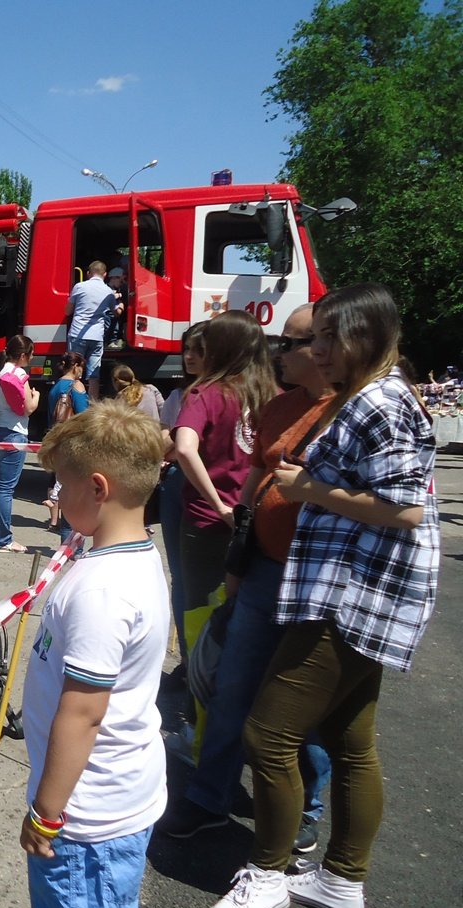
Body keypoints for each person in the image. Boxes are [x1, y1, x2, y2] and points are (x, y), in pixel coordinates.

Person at [210, 284, 439, 908]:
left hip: (356, 596)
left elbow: (407, 508)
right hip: (356, 593)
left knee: (269, 733)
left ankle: (268, 872)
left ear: (365, 335)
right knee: (348, 739)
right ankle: (341, 878)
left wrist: (310, 488)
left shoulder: (381, 401)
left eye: (328, 337)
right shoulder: (374, 396)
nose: (316, 350)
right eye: (315, 339)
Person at [160, 304, 333, 854]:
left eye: (296, 342)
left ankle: (300, 808)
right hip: (255, 559)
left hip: (302, 571)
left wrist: (220, 503)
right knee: (238, 680)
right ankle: (214, 795)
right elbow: (256, 485)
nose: (282, 351)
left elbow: (403, 512)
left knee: (282, 695)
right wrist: (240, 548)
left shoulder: (348, 414)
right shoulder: (275, 402)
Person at [22, 399, 169, 908]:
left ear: (99, 487)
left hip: (86, 819)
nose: (55, 497)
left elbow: (82, 714)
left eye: (62, 484)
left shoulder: (103, 592)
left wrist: (47, 813)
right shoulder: (125, 555)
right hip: (114, 797)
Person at [171, 311, 276, 642]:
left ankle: (198, 682)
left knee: (199, 604)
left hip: (208, 521)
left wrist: (218, 505)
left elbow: (185, 448)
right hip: (258, 520)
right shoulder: (273, 395)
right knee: (247, 605)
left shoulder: (206, 393)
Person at [158, 322, 207, 662]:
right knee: (181, 578)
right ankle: (190, 662)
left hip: (210, 496)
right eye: (186, 349)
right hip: (178, 487)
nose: (189, 357)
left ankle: (205, 663)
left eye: (198, 350)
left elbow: (174, 444)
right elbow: (163, 445)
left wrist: (177, 444)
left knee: (208, 581)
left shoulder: (233, 395)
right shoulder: (178, 396)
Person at [0, 336, 38, 553]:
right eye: (30, 354)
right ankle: (4, 540)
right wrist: (37, 396)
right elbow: (28, 408)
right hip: (14, 434)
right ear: (23, 355)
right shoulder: (20, 374)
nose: (31, 358)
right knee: (5, 489)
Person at [42, 351, 88, 531]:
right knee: (72, 485)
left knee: (55, 480)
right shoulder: (76, 386)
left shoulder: (55, 387)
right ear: (76, 367)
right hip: (72, 442)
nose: (82, 371)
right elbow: (84, 417)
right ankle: (70, 533)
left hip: (55, 439)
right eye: (82, 367)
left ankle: (54, 521)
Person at [60, 260, 115, 399]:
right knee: (94, 375)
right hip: (97, 336)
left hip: (78, 333)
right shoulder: (108, 291)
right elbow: (114, 312)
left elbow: (68, 311)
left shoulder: (79, 287)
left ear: (88, 273)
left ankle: (72, 401)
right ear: (105, 274)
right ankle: (92, 405)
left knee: (73, 370)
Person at [105, 266, 127, 349]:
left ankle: (111, 341)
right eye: (121, 281)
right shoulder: (106, 288)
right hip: (107, 314)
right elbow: (109, 297)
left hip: (114, 313)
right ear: (114, 278)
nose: (122, 283)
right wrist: (120, 295)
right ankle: (107, 341)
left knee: (115, 327)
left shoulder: (116, 289)